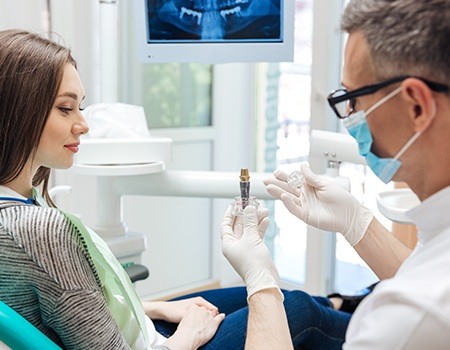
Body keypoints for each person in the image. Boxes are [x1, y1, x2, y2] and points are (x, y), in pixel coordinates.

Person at [0, 28, 340, 350]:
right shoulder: (39, 230)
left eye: (81, 107)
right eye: (65, 108)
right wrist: (188, 335)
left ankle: (349, 305)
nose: (84, 125)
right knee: (298, 308)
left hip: (139, 329)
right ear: (17, 111)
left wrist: (158, 308)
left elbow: (75, 307)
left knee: (301, 301)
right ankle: (380, 321)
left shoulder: (17, 207)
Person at [247, 0, 449, 348]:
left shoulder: (412, 316)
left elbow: (424, 297)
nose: (350, 116)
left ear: (416, 104)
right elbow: (424, 269)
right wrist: (356, 221)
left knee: (298, 308)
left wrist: (261, 282)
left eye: (353, 98)